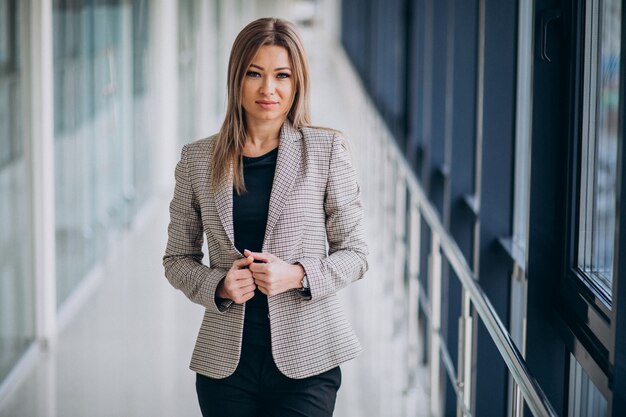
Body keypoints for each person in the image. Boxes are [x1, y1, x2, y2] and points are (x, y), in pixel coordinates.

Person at [163, 17, 368, 417]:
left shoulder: (326, 151)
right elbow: (175, 260)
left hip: (308, 362)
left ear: (297, 82)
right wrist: (218, 285)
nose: (268, 89)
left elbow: (356, 253)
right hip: (226, 368)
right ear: (237, 77)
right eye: (255, 73)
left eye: (282, 75)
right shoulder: (197, 160)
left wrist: (299, 275)